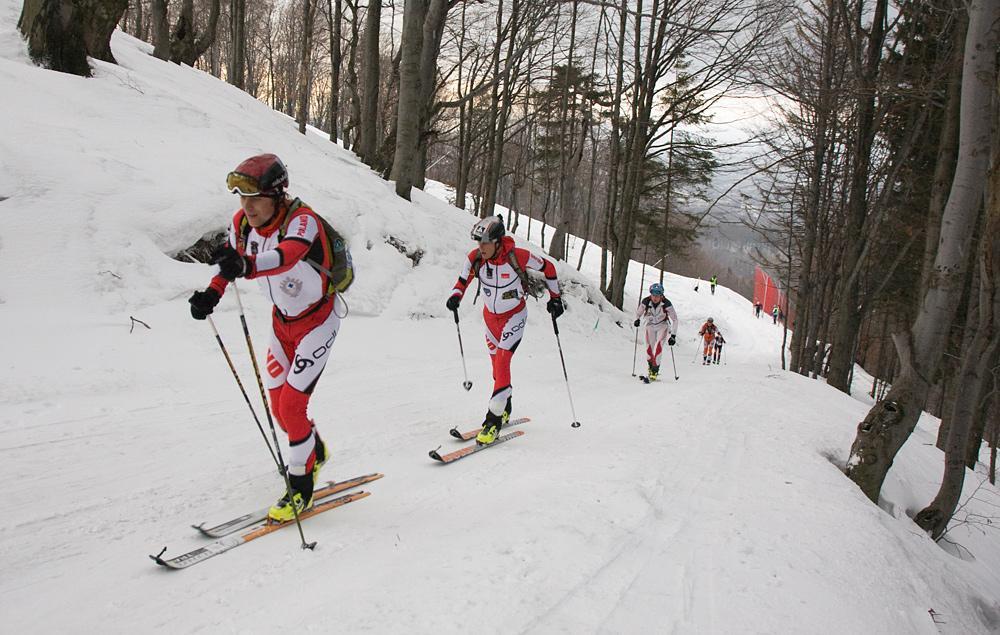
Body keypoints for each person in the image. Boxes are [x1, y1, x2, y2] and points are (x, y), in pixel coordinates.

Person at [188, 153, 343, 522]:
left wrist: (249, 266)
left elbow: (287, 256)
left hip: (318, 321)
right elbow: (232, 264)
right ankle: (313, 451)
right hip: (281, 325)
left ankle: (301, 487)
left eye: (255, 198)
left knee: (292, 407)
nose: (247, 206)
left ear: (277, 195)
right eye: (242, 198)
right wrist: (213, 292)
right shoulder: (241, 223)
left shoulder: (303, 221)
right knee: (279, 408)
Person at [446, 216, 562, 445]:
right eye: (478, 243)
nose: (481, 247)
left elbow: (549, 267)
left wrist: (556, 298)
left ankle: (493, 421)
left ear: (498, 241)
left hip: (514, 316)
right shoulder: (476, 258)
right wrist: (455, 295)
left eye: (485, 243)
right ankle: (505, 406)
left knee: (502, 361)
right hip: (490, 320)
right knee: (496, 370)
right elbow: (462, 280)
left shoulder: (518, 256)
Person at [633, 282, 678, 381]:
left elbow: (675, 319)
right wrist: (637, 319)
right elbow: (638, 312)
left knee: (658, 347)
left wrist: (673, 336)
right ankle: (650, 368)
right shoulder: (646, 301)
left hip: (662, 325)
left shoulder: (667, 303)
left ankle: (655, 371)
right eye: (653, 295)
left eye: (657, 296)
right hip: (650, 325)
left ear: (661, 295)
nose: (655, 298)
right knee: (649, 348)